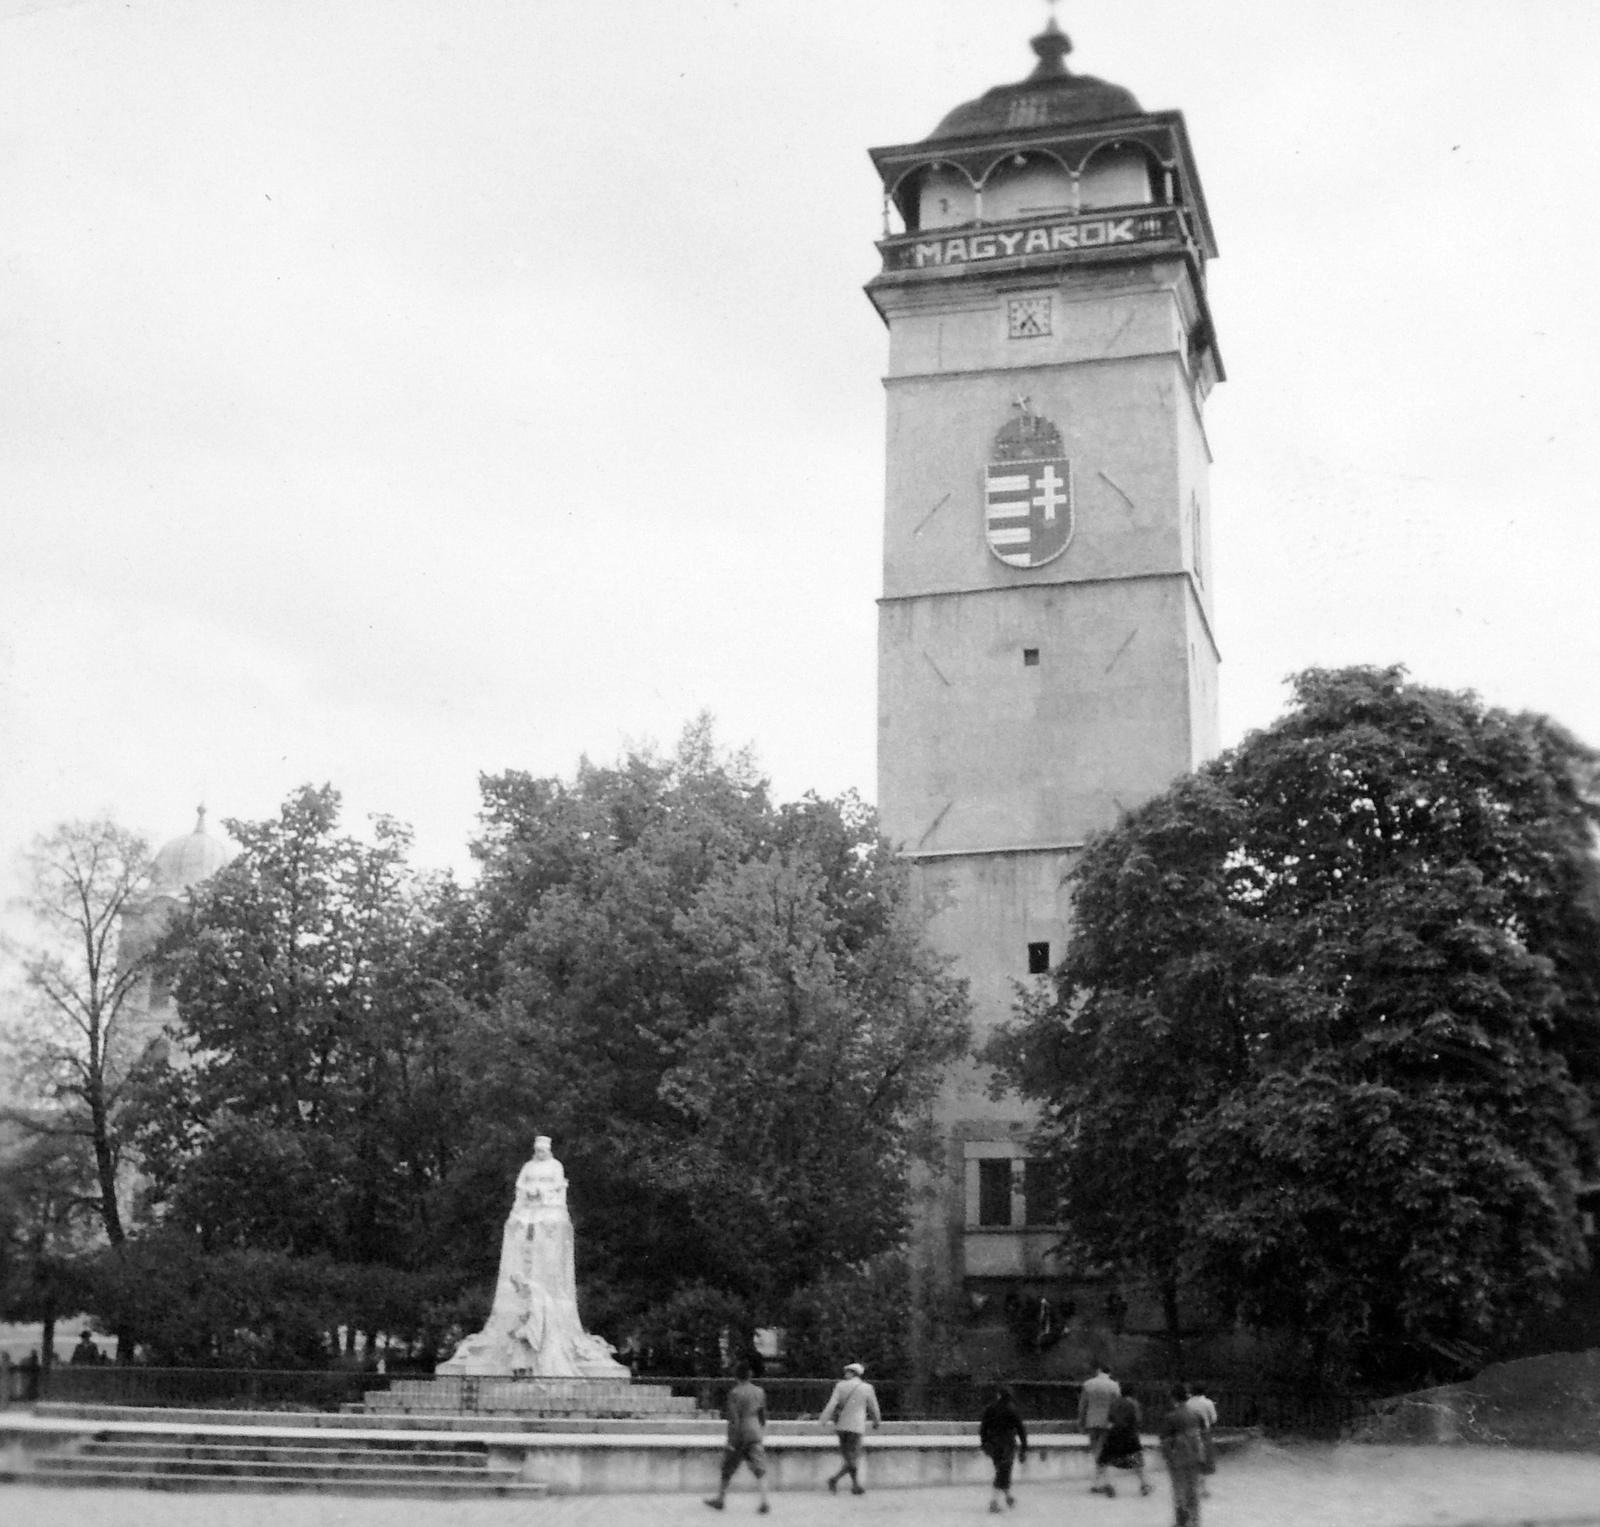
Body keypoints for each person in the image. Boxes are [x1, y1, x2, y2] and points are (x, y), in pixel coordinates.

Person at [705, 1363, 771, 1514]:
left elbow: (734, 1419)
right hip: (755, 1431)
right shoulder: (759, 1391)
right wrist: (760, 1429)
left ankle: (720, 1499)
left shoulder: (734, 1393)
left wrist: (731, 1440)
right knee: (760, 1469)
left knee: (727, 1468)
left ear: (736, 1377)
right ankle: (764, 1501)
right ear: (750, 1376)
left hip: (740, 1433)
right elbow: (763, 1414)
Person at [818, 1361, 881, 1495]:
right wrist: (877, 1421)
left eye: (848, 1371)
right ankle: (834, 1479)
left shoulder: (840, 1386)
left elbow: (832, 1404)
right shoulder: (867, 1388)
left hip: (841, 1426)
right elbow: (873, 1407)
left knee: (849, 1457)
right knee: (853, 1457)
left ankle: (855, 1485)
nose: (845, 1374)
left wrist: (823, 1419)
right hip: (857, 1427)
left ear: (853, 1373)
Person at [1159, 1383, 1206, 1527]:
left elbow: (1165, 1440)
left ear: (1173, 1398)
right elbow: (1203, 1431)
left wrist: (1167, 1457)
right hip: (1195, 1452)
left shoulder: (1171, 1417)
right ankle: (1195, 1520)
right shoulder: (1196, 1414)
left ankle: (1181, 1520)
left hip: (1178, 1455)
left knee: (1179, 1489)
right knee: (1192, 1489)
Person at [978, 1384, 1028, 1512]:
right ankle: (994, 1501)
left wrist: (984, 1443)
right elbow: (1021, 1430)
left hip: (994, 1443)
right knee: (1003, 1471)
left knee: (1001, 1470)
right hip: (1008, 1444)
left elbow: (983, 1429)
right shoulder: (1013, 1410)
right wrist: (1024, 1448)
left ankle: (1008, 1496)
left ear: (998, 1395)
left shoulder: (990, 1409)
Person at [1094, 1391, 1151, 1498]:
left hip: (1115, 1432)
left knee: (1104, 1459)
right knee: (1137, 1459)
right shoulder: (1134, 1403)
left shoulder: (1114, 1402)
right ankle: (1144, 1484)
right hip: (1130, 1433)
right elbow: (1138, 1419)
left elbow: (1109, 1418)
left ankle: (1108, 1483)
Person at [1077, 1361, 1119, 1494]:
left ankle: (1098, 1483)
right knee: (1103, 1452)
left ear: (1099, 1371)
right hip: (1107, 1423)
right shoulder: (1114, 1386)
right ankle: (1104, 1482)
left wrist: (1081, 1422)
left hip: (1092, 1422)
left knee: (1096, 1452)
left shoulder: (1088, 1384)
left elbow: (1082, 1406)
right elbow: (1117, 1406)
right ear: (1109, 1373)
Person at [1185, 1383, 1218, 1496]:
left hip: (1189, 1433)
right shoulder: (1208, 1403)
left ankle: (1191, 1486)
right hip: (1204, 1433)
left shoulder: (1187, 1403)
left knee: (1191, 1460)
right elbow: (1213, 1419)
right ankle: (1203, 1488)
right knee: (1203, 1459)